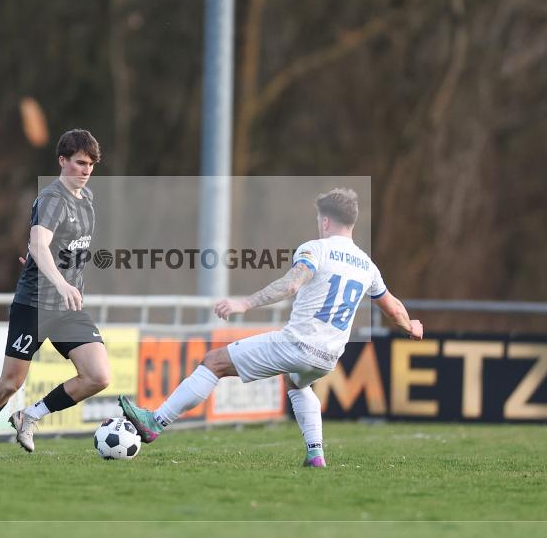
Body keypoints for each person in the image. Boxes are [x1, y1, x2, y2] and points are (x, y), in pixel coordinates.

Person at [119, 188, 423, 468]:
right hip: (328, 357)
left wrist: (244, 304)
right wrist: (411, 327)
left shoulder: (316, 249)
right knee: (297, 384)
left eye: (319, 219)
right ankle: (316, 453)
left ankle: (155, 421)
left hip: (297, 344)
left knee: (214, 362)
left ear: (326, 221)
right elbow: (393, 308)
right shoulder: (366, 265)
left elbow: (291, 284)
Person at [0, 129, 110, 457]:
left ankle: (29, 416)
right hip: (34, 305)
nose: (86, 170)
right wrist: (58, 280)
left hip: (67, 308)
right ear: (62, 161)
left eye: (90, 164)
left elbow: (54, 248)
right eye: (79, 163)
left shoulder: (87, 200)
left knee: (98, 375)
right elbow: (39, 241)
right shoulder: (52, 198)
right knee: (9, 383)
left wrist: (49, 265)